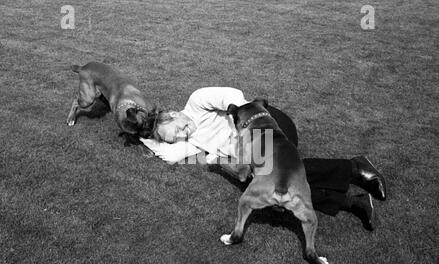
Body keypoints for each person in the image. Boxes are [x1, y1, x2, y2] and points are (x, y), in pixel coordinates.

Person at [141, 87, 387, 229]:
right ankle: (354, 201)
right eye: (177, 139)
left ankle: (353, 169)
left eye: (178, 130)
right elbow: (170, 156)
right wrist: (143, 135)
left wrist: (241, 137)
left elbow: (234, 97)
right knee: (272, 190)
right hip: (254, 152)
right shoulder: (192, 142)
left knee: (272, 173)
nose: (183, 136)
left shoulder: (196, 102)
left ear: (173, 114)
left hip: (266, 123)